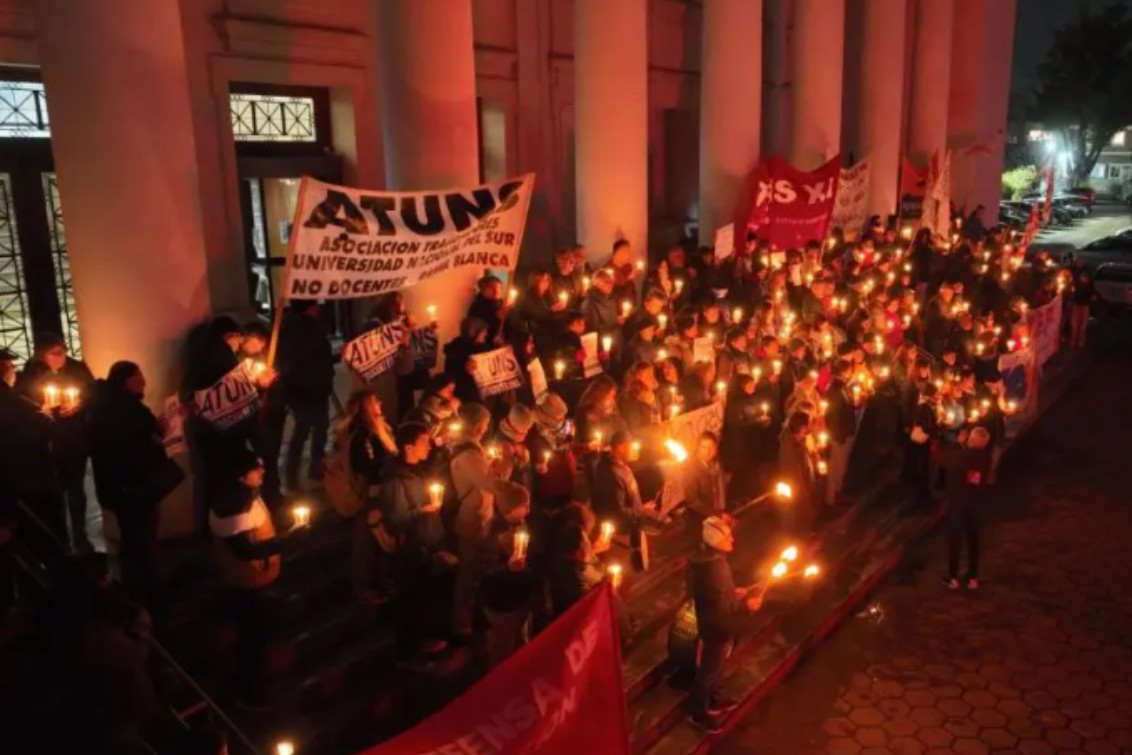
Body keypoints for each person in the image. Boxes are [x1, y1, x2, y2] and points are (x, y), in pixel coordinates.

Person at [89, 361, 184, 615]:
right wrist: (162, 431)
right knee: (143, 540)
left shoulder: (103, 406)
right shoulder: (130, 410)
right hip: (135, 489)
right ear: (125, 381)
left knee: (132, 540)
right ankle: (151, 597)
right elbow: (136, 449)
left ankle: (135, 591)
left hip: (117, 488)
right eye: (138, 377)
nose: (143, 381)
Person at [208, 450, 283, 710]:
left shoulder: (246, 496)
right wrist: (282, 544)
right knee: (251, 639)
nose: (262, 471)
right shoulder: (232, 505)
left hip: (256, 581)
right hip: (246, 585)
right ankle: (248, 692)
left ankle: (254, 684)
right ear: (241, 476)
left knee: (258, 637)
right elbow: (243, 551)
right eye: (256, 468)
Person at [374, 421, 451, 657]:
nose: (428, 446)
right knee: (411, 601)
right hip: (411, 551)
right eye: (424, 442)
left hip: (426, 545)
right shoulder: (395, 480)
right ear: (409, 447)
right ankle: (411, 652)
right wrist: (423, 511)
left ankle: (426, 641)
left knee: (426, 597)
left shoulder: (417, 471)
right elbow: (397, 519)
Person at [15, 333, 96, 552]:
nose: (62, 357)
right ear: (42, 355)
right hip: (47, 441)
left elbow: (92, 393)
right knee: (55, 492)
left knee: (76, 490)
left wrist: (79, 405)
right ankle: (60, 540)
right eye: (55, 353)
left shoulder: (77, 369)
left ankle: (80, 536)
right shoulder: (29, 375)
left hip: (74, 438)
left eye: (63, 351)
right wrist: (44, 410)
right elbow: (23, 404)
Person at [687, 516, 761, 732]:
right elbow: (721, 607)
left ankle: (714, 699)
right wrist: (747, 606)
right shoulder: (715, 568)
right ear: (716, 541)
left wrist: (732, 593)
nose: (733, 540)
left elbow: (716, 596)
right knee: (709, 670)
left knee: (717, 666)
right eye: (728, 537)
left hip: (716, 623)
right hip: (717, 626)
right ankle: (698, 714)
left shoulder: (708, 560)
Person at [449, 403, 512, 642]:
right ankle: (462, 625)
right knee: (468, 573)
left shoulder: (472, 451)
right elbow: (494, 485)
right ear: (476, 426)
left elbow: (485, 478)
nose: (486, 430)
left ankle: (477, 615)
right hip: (472, 520)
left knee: (481, 568)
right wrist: (507, 461)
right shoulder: (469, 455)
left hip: (480, 517)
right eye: (485, 425)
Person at [275, 300, 336, 493]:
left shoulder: (290, 328)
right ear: (309, 308)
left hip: (307, 388)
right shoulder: (308, 330)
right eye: (315, 305)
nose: (318, 308)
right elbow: (308, 359)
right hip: (309, 388)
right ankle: (301, 472)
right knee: (309, 429)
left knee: (314, 428)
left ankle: (304, 471)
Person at [939, 426, 991, 590]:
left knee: (955, 540)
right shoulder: (985, 458)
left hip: (958, 503)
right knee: (973, 540)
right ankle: (973, 577)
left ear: (973, 440)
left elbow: (946, 461)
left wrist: (957, 444)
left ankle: (953, 577)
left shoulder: (962, 455)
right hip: (975, 504)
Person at [1069, 262, 1094, 349]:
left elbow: (1092, 294)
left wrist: (1092, 297)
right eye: (1083, 277)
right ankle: (1073, 342)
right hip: (1076, 306)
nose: (1084, 279)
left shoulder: (1089, 286)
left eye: (1085, 277)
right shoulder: (1076, 285)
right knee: (1074, 325)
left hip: (1085, 306)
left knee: (1083, 326)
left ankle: (1081, 342)